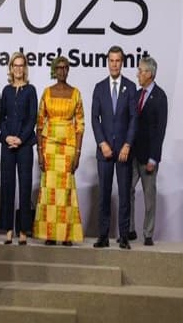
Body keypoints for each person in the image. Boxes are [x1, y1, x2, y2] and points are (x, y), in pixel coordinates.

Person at [89, 46, 136, 248]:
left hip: (124, 151)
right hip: (105, 151)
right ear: (107, 62)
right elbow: (94, 118)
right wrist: (102, 143)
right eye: (111, 60)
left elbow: (134, 118)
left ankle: (124, 236)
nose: (114, 64)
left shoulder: (130, 87)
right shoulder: (99, 87)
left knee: (125, 194)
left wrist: (127, 144)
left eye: (118, 61)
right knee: (104, 195)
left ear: (122, 62)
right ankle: (103, 236)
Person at [35, 56, 84, 245]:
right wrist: (39, 151)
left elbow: (80, 125)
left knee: (67, 190)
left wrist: (78, 153)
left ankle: (66, 235)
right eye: (59, 68)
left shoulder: (76, 93)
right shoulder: (47, 93)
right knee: (50, 190)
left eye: (65, 68)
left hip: (68, 146)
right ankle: (50, 234)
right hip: (49, 146)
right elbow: (39, 125)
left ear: (68, 70)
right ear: (54, 70)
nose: (62, 71)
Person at [0, 53, 37, 244]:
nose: (19, 69)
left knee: (25, 186)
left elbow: (32, 119)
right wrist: (7, 137)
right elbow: (1, 117)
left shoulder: (31, 90)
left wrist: (20, 139)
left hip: (25, 144)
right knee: (7, 186)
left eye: (22, 65)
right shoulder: (6, 90)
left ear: (25, 68)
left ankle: (23, 229)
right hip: (7, 144)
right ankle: (8, 229)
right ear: (11, 68)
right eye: (15, 65)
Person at [128, 55, 168, 246]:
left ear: (149, 74)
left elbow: (160, 130)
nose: (138, 74)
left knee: (149, 196)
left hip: (148, 156)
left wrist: (154, 158)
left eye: (141, 71)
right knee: (127, 191)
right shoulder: (136, 94)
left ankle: (148, 233)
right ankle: (130, 230)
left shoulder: (160, 97)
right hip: (133, 153)